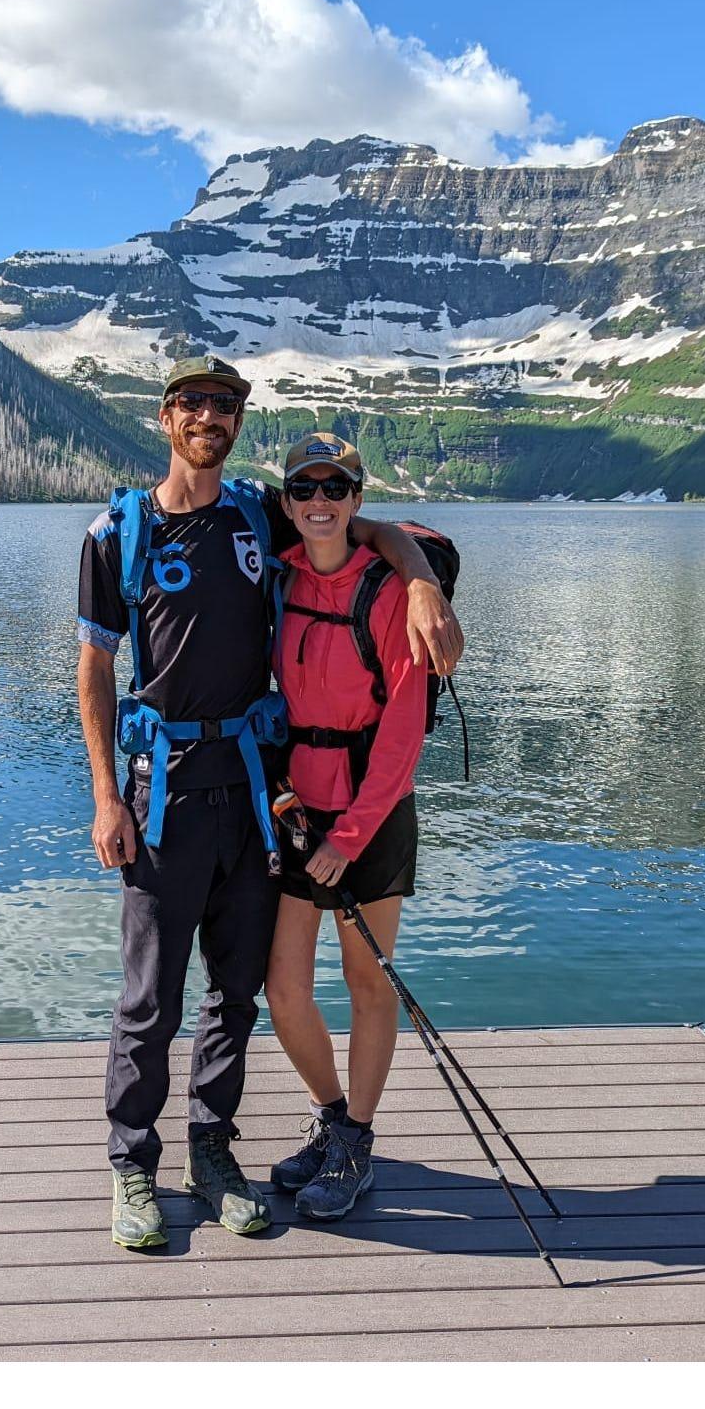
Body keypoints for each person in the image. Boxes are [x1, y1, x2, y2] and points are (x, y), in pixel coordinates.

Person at [76, 359, 462, 1251]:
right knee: (149, 1000)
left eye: (226, 405)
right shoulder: (117, 533)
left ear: (239, 421)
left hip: (253, 795)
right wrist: (106, 796)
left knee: (237, 993)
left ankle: (212, 1154)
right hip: (163, 793)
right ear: (167, 417)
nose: (210, 416)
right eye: (195, 404)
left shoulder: (260, 513)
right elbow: (95, 670)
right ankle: (132, 1165)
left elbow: (362, 528)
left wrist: (419, 580)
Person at [263, 431, 427, 1221]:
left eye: (336, 490)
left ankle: (358, 1139)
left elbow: (403, 730)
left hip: (371, 813)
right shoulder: (280, 577)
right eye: (305, 491)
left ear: (358, 500)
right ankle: (332, 1117)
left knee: (367, 982)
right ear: (288, 503)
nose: (319, 504)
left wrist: (351, 836)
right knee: (283, 987)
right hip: (298, 810)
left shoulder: (391, 592)